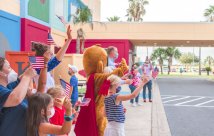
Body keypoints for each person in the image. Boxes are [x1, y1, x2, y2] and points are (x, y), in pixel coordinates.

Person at [0, 57, 37, 136]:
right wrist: (26, 77)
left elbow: (19, 82)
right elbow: (16, 98)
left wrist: (27, 74)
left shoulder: (7, 86)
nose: (12, 70)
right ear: (1, 73)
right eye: (9, 67)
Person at [32, 25, 72, 92]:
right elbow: (56, 60)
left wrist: (69, 40)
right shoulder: (37, 67)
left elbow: (56, 60)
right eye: (49, 53)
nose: (52, 55)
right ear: (43, 55)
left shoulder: (44, 68)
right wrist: (68, 40)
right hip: (43, 100)